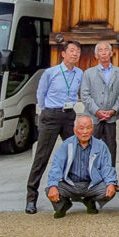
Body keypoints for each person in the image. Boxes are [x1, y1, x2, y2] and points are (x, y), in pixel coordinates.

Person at [25, 40, 83, 214]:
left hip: (69, 115)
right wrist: (47, 110)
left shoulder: (80, 73)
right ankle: (31, 198)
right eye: (72, 51)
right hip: (50, 115)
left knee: (75, 153)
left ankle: (72, 193)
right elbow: (40, 94)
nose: (75, 54)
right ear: (63, 53)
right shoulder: (51, 73)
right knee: (42, 157)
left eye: (78, 51)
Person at [45, 115, 118, 218]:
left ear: (93, 129)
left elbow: (107, 167)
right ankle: (63, 205)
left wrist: (111, 182)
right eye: (81, 128)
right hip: (70, 184)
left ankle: (90, 201)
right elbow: (57, 166)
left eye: (88, 128)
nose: (85, 132)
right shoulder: (67, 144)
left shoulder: (100, 146)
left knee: (110, 188)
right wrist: (53, 185)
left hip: (91, 184)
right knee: (50, 188)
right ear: (75, 130)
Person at [80, 41, 119, 164]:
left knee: (111, 148)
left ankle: (110, 178)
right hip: (93, 117)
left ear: (111, 53)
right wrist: (97, 111)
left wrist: (113, 110)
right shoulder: (88, 73)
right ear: (96, 55)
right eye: (100, 50)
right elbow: (84, 95)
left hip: (111, 117)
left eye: (106, 50)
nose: (104, 53)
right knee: (90, 148)